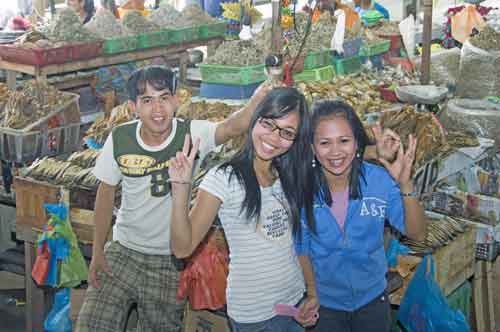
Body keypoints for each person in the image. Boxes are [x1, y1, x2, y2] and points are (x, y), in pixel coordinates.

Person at [75, 65, 271, 332]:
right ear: (133, 106)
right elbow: (105, 193)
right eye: (147, 100)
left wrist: (261, 94)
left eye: (164, 98)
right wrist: (98, 250)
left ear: (177, 100)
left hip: (168, 261)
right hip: (123, 252)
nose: (157, 109)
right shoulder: (119, 138)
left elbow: (232, 126)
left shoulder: (192, 134)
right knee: (91, 324)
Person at [168, 87, 320, 332]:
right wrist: (180, 188)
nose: (273, 137)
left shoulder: (287, 175)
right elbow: (182, 248)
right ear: (254, 119)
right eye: (268, 124)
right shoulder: (224, 178)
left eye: (287, 132)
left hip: (294, 303)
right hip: (255, 316)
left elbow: (296, 243)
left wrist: (311, 293)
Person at [295, 100, 427, 332]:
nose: (335, 152)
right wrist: (312, 294)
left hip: (372, 300)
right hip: (325, 305)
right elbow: (302, 248)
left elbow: (417, 233)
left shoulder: (378, 180)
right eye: (325, 143)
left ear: (357, 142)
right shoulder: (302, 189)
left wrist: (406, 185)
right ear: (312, 147)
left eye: (344, 141)